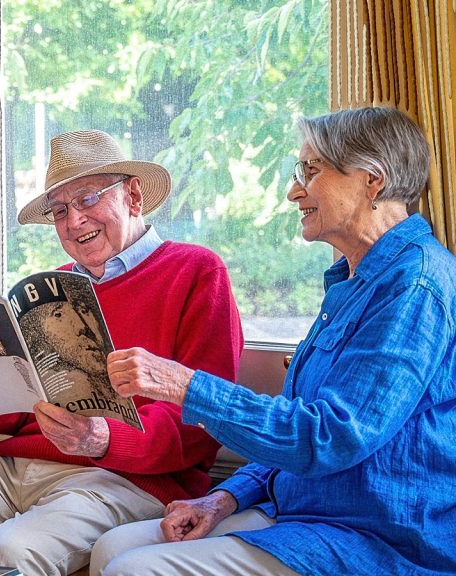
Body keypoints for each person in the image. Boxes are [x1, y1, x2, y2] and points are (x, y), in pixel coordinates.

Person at [91, 106, 456, 576]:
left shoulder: (414, 286)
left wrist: (185, 385)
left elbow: (329, 437)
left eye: (311, 170)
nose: (293, 191)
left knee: (133, 570)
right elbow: (293, 434)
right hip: (304, 511)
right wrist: (223, 498)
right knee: (111, 548)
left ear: (373, 180)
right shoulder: (351, 281)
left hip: (376, 538)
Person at [0, 130, 244, 576]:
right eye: (60, 211)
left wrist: (105, 439)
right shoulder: (48, 288)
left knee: (13, 550)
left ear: (134, 196)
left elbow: (206, 420)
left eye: (87, 200)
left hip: (129, 478)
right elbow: (18, 404)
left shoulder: (195, 270)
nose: (74, 221)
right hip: (13, 463)